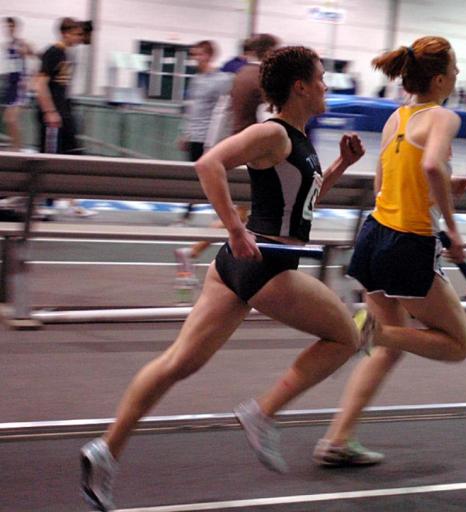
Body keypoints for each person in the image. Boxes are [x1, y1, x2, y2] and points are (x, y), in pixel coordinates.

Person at [79, 45, 368, 511]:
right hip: (265, 262)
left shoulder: (296, 137)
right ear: (300, 86)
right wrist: (234, 229)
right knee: (346, 337)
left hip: (239, 264)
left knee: (179, 362)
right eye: (320, 79)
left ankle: (106, 452)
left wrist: (338, 167)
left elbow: (300, 205)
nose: (326, 87)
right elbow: (208, 163)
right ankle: (263, 414)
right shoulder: (271, 133)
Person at [312, 36, 466, 467]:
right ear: (439, 78)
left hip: (374, 237)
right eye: (455, 70)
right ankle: (371, 330)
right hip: (408, 243)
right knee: (457, 344)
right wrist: (453, 230)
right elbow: (429, 165)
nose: (458, 76)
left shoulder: (395, 118)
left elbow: (385, 189)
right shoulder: (442, 117)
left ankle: (337, 440)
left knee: (389, 348)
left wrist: (442, 192)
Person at [173, 34, 279, 291]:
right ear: (268, 53)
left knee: (243, 212)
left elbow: (224, 113)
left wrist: (214, 146)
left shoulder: (239, 76)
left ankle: (202, 255)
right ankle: (196, 254)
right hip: (254, 152)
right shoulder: (261, 79)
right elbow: (270, 118)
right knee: (247, 212)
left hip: (238, 147)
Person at [34, 17, 94, 217]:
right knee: (48, 158)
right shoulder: (54, 52)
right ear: (65, 33)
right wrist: (50, 111)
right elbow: (40, 84)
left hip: (63, 111)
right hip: (52, 115)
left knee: (69, 155)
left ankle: (69, 201)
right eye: (76, 34)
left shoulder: (66, 54)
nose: (79, 38)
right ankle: (42, 201)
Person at [176, 40, 234, 223]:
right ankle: (189, 212)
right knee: (194, 176)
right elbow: (192, 109)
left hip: (209, 138)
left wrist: (215, 140)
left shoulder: (221, 80)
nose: (195, 59)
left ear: (209, 55)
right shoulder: (196, 80)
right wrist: (185, 133)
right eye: (194, 55)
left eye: (199, 54)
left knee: (211, 177)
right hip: (195, 135)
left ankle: (225, 214)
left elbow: (224, 109)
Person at [2, 17, 33, 151]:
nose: (9, 29)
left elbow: (33, 54)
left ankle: (18, 148)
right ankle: (15, 146)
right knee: (7, 119)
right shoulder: (7, 45)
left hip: (20, 85)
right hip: (11, 85)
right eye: (6, 27)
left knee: (12, 119)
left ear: (16, 28)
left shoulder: (21, 43)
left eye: (11, 27)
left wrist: (26, 52)